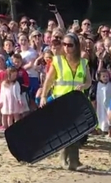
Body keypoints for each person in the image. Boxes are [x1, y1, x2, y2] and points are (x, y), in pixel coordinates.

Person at [40, 33, 92, 171]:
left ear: (76, 46)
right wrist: (43, 96)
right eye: (64, 44)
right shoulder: (57, 61)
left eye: (70, 45)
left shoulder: (83, 62)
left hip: (77, 101)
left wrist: (83, 86)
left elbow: (88, 81)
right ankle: (64, 159)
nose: (67, 47)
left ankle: (74, 161)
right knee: (65, 131)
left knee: (75, 131)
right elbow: (49, 80)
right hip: (61, 100)